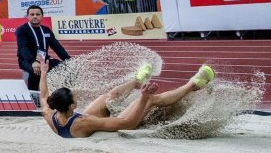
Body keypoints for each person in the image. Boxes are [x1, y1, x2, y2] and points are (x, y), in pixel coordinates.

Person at [40, 60, 215, 138]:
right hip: (85, 129)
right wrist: (144, 98)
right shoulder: (84, 121)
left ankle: (137, 80)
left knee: (107, 97)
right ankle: (193, 84)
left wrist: (43, 73)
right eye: (74, 97)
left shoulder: (50, 114)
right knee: (151, 100)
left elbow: (43, 96)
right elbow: (126, 123)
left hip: (72, 125)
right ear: (73, 105)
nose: (77, 96)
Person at [16, 5, 71, 91]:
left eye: (37, 14)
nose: (35, 16)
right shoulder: (22, 30)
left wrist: (68, 60)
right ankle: (33, 95)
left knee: (65, 67)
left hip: (42, 58)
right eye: (32, 14)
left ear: (42, 16)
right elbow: (23, 48)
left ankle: (64, 93)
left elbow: (57, 46)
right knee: (37, 70)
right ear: (27, 16)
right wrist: (33, 62)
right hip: (26, 60)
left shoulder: (46, 30)